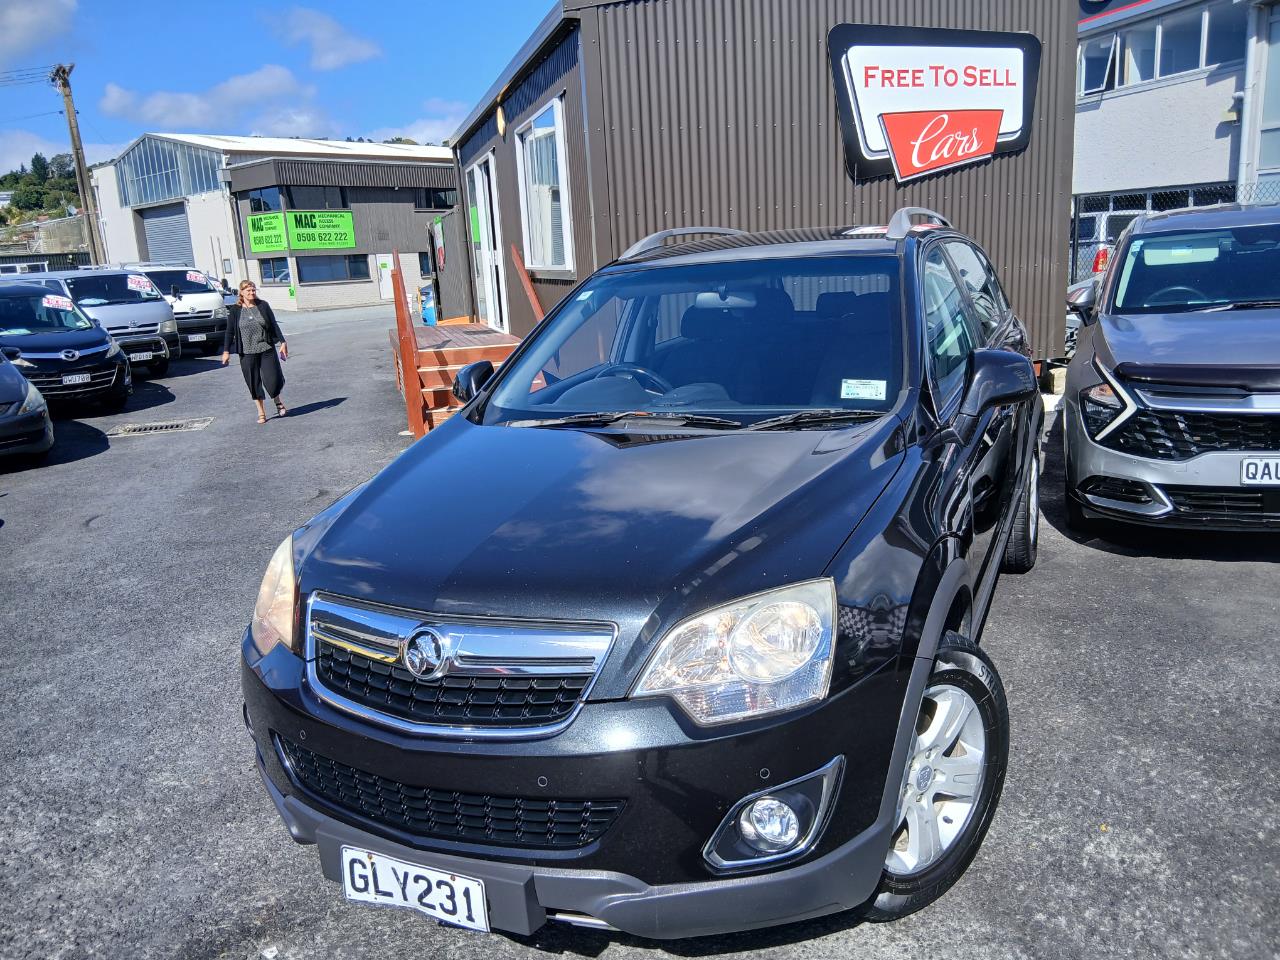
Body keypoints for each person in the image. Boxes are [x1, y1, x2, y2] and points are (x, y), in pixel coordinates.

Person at [221, 280, 288, 424]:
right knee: (253, 382)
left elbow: (274, 324)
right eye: (248, 291)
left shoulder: (263, 305)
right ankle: (261, 411)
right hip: (247, 352)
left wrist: (283, 342)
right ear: (241, 292)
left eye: (253, 290)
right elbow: (229, 332)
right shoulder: (235, 310)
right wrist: (226, 351)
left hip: (266, 348)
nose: (251, 293)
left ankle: (277, 400)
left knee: (273, 379)